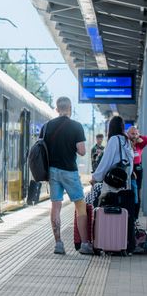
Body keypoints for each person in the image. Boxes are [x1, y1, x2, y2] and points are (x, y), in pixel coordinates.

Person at [41, 97, 92, 255]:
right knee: (79, 205)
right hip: (69, 170)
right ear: (70, 108)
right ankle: (84, 244)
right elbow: (82, 150)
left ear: (56, 109)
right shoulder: (76, 126)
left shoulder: (47, 126)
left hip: (53, 171)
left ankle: (58, 243)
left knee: (56, 206)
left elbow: (41, 148)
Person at [90, 117, 133, 199]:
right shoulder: (126, 140)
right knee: (121, 205)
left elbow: (106, 161)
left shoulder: (114, 139)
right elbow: (130, 161)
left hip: (113, 181)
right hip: (124, 180)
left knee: (107, 205)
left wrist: (95, 177)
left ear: (111, 127)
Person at [127, 126, 147, 219]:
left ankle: (135, 217)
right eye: (132, 133)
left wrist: (138, 137)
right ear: (128, 134)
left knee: (137, 192)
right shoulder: (126, 142)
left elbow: (145, 139)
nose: (134, 136)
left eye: (136, 133)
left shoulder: (139, 144)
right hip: (127, 167)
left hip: (137, 168)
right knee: (128, 190)